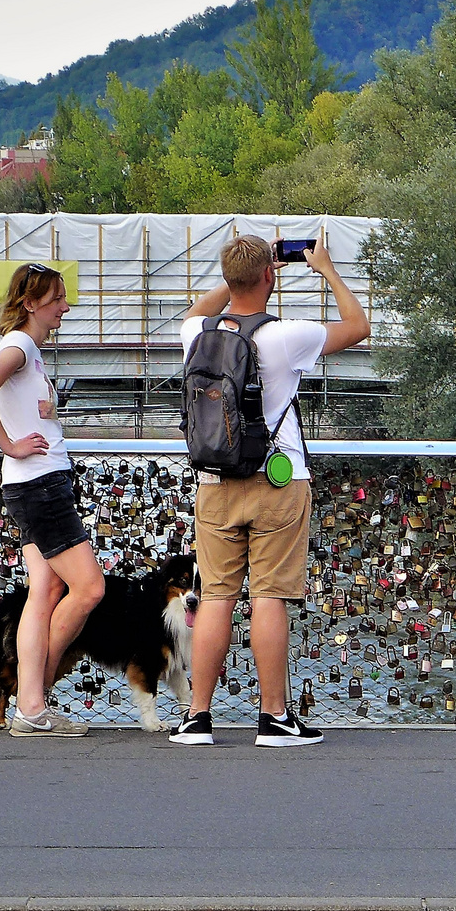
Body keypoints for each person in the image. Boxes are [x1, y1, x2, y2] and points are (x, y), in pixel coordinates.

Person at [170, 235, 370, 747]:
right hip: (277, 481)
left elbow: (200, 308)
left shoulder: (196, 332)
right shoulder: (286, 336)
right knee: (269, 596)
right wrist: (324, 269)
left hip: (214, 481)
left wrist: (240, 277)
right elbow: (358, 326)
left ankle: (196, 717)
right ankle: (275, 718)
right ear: (271, 277)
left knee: (215, 596)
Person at [0, 263, 105, 737]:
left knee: (45, 592)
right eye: (56, 300)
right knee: (89, 589)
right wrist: (8, 443)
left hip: (35, 483)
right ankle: (35, 695)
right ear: (30, 304)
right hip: (39, 485)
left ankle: (31, 704)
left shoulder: (29, 351)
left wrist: (48, 408)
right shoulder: (21, 344)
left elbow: (15, 399)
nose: (65, 307)